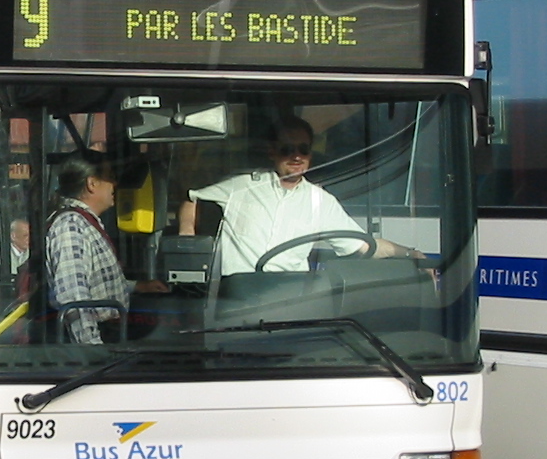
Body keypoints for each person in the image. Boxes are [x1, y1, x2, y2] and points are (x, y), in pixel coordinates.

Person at [178, 117, 423, 276]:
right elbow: (192, 200)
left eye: (303, 150)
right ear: (272, 152)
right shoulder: (241, 187)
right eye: (287, 149)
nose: (296, 157)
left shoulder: (320, 201)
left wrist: (410, 254)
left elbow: (363, 246)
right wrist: (186, 239)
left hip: (289, 298)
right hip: (232, 296)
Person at [44, 154, 166, 344]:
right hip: (99, 338)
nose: (115, 184)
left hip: (113, 332)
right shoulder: (70, 225)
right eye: (110, 177)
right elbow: (73, 297)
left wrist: (138, 286)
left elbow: (97, 282)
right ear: (92, 183)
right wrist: (92, 350)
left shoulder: (85, 222)